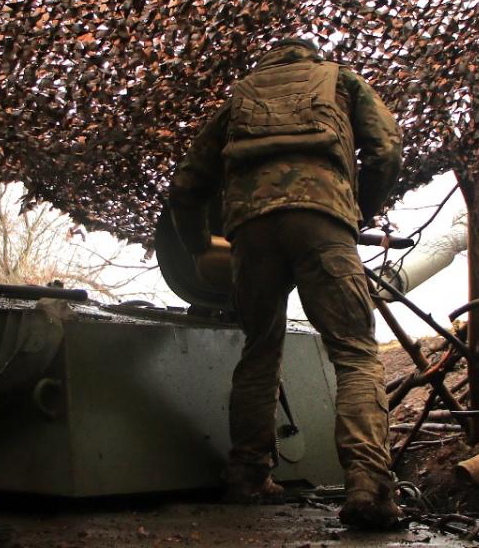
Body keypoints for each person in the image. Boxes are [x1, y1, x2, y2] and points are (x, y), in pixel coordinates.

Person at [168, 37, 404, 530]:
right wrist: (357, 212)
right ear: (309, 56)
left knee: (259, 351)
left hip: (250, 234)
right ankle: (369, 487)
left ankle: (248, 476)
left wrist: (197, 248)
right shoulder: (340, 80)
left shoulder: (239, 98)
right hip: (322, 221)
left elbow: (186, 184)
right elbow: (385, 149)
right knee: (355, 353)